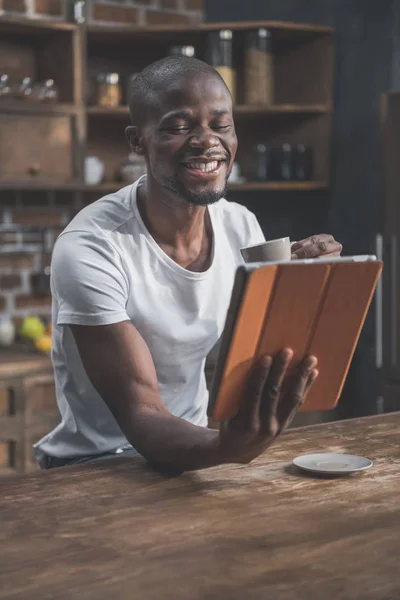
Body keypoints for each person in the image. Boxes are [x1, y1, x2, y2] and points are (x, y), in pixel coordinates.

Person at [34, 57, 342, 473]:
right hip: (98, 466)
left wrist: (302, 286)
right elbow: (141, 413)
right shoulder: (91, 247)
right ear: (137, 140)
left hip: (193, 451)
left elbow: (246, 349)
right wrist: (225, 449)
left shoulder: (240, 226)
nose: (206, 141)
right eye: (179, 127)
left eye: (221, 124)